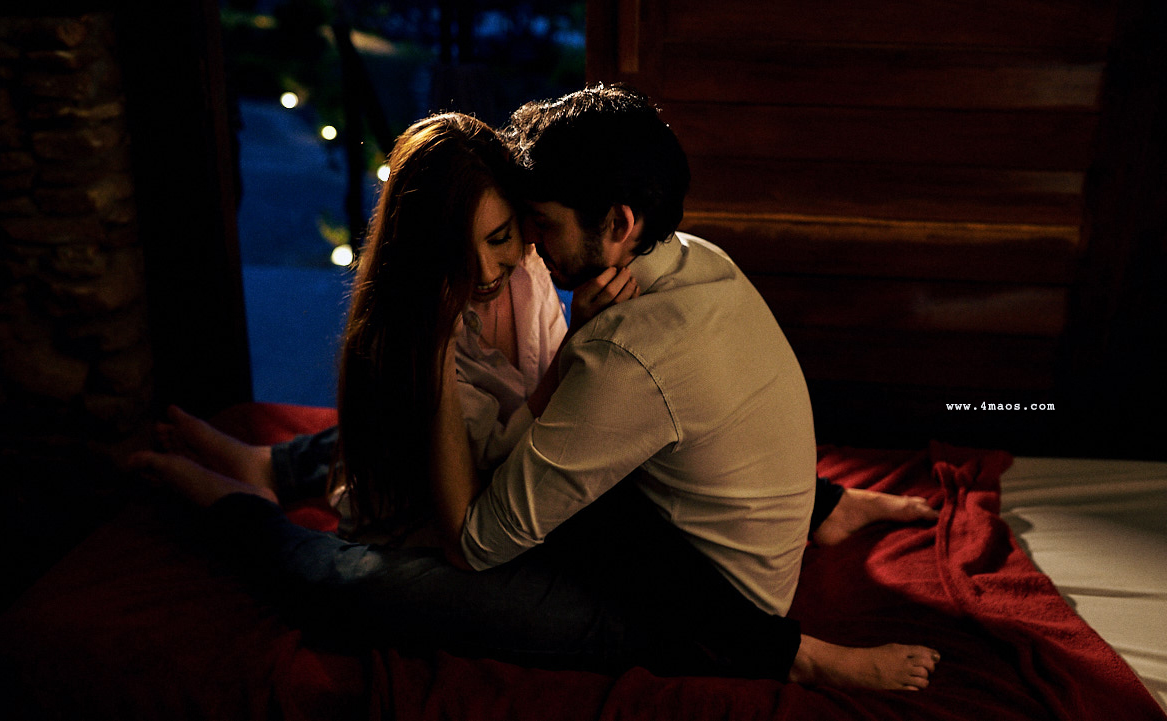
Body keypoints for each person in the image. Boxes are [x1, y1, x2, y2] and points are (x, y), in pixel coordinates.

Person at [133, 102, 938, 688]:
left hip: (686, 600)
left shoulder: (613, 345)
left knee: (353, 585)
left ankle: (229, 505)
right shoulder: (693, 258)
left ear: (620, 223)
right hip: (647, 518)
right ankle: (273, 465)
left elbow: (478, 541)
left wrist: (565, 352)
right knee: (470, 424)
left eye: (532, 227)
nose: (525, 256)